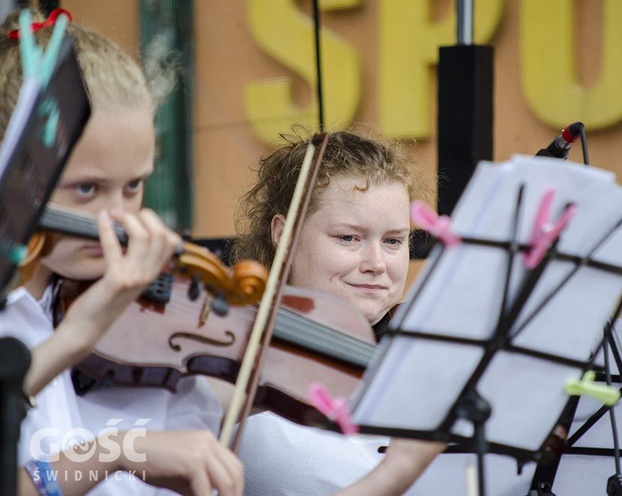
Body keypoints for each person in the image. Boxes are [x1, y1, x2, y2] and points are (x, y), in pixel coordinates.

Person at [0, 9, 243, 495]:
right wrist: (116, 451)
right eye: (86, 189)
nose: (118, 220)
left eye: (134, 186)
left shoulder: (142, 327)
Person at [230, 128, 445, 495]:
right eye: (349, 238)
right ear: (285, 234)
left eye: (393, 241)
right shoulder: (245, 372)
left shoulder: (427, 353)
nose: (377, 263)